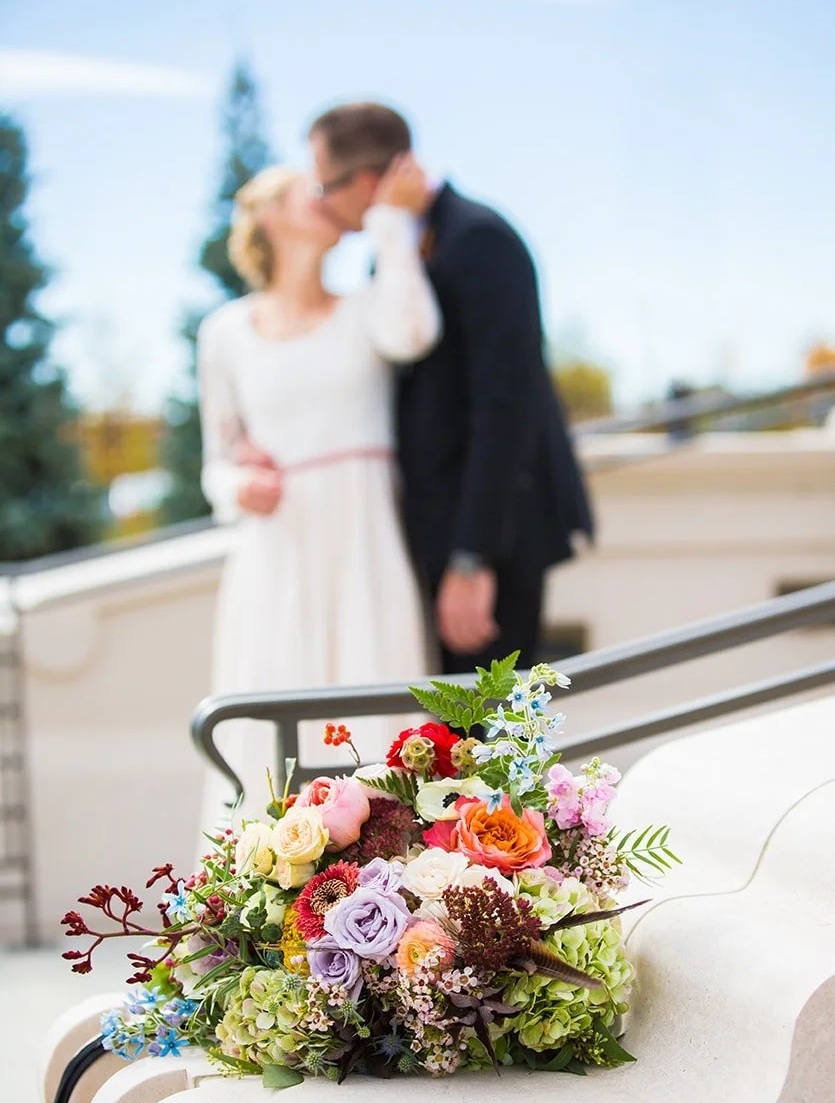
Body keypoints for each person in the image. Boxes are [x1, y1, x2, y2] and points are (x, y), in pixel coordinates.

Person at [309, 103, 594, 674]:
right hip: (434, 534)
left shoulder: (479, 239)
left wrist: (471, 561)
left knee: (487, 740)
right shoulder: (393, 255)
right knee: (450, 743)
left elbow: (504, 407)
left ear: (365, 182)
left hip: (491, 540)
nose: (321, 201)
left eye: (325, 186)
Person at [198, 163, 439, 830]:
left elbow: (413, 333)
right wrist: (240, 485)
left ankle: (396, 909)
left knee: (378, 721)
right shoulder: (224, 331)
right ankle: (260, 914)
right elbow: (214, 465)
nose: (327, 195)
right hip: (276, 557)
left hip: (366, 546)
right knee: (270, 736)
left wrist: (390, 222)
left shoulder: (365, 307)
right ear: (269, 214)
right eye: (308, 187)